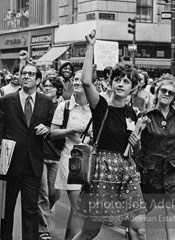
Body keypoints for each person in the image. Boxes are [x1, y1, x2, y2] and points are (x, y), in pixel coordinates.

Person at [73, 31, 146, 240]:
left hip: (127, 171)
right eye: (118, 80)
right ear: (111, 83)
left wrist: (137, 143)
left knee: (139, 230)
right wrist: (90, 47)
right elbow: (87, 82)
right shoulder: (101, 106)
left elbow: (135, 150)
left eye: (126, 82)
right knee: (90, 231)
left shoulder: (133, 113)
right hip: (102, 172)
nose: (121, 84)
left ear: (133, 88)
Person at [0, 63, 54, 240]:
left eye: (31, 74)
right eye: (23, 73)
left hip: (33, 166)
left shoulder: (47, 102)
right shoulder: (6, 101)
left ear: (38, 80)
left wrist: (47, 129)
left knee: (30, 210)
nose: (26, 76)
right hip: (9, 165)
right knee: (6, 210)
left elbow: (51, 131)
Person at [139, 78, 175, 240]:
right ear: (157, 93)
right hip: (150, 170)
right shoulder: (146, 115)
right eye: (163, 91)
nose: (166, 94)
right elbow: (138, 145)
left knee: (172, 210)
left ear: (174, 97)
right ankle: (135, 232)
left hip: (172, 170)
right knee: (144, 208)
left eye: (170, 92)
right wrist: (138, 169)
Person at [50, 70, 92, 240]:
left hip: (91, 161)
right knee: (79, 207)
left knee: (78, 210)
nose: (76, 82)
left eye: (80, 80)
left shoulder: (96, 107)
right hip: (70, 160)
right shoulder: (64, 106)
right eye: (75, 79)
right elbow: (52, 133)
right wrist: (71, 130)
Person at [38, 76, 64, 240]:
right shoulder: (39, 104)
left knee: (55, 194)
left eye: (51, 86)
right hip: (39, 154)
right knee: (43, 194)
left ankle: (43, 213)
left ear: (58, 89)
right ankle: (43, 228)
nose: (48, 88)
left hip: (56, 154)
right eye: (45, 86)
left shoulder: (62, 107)